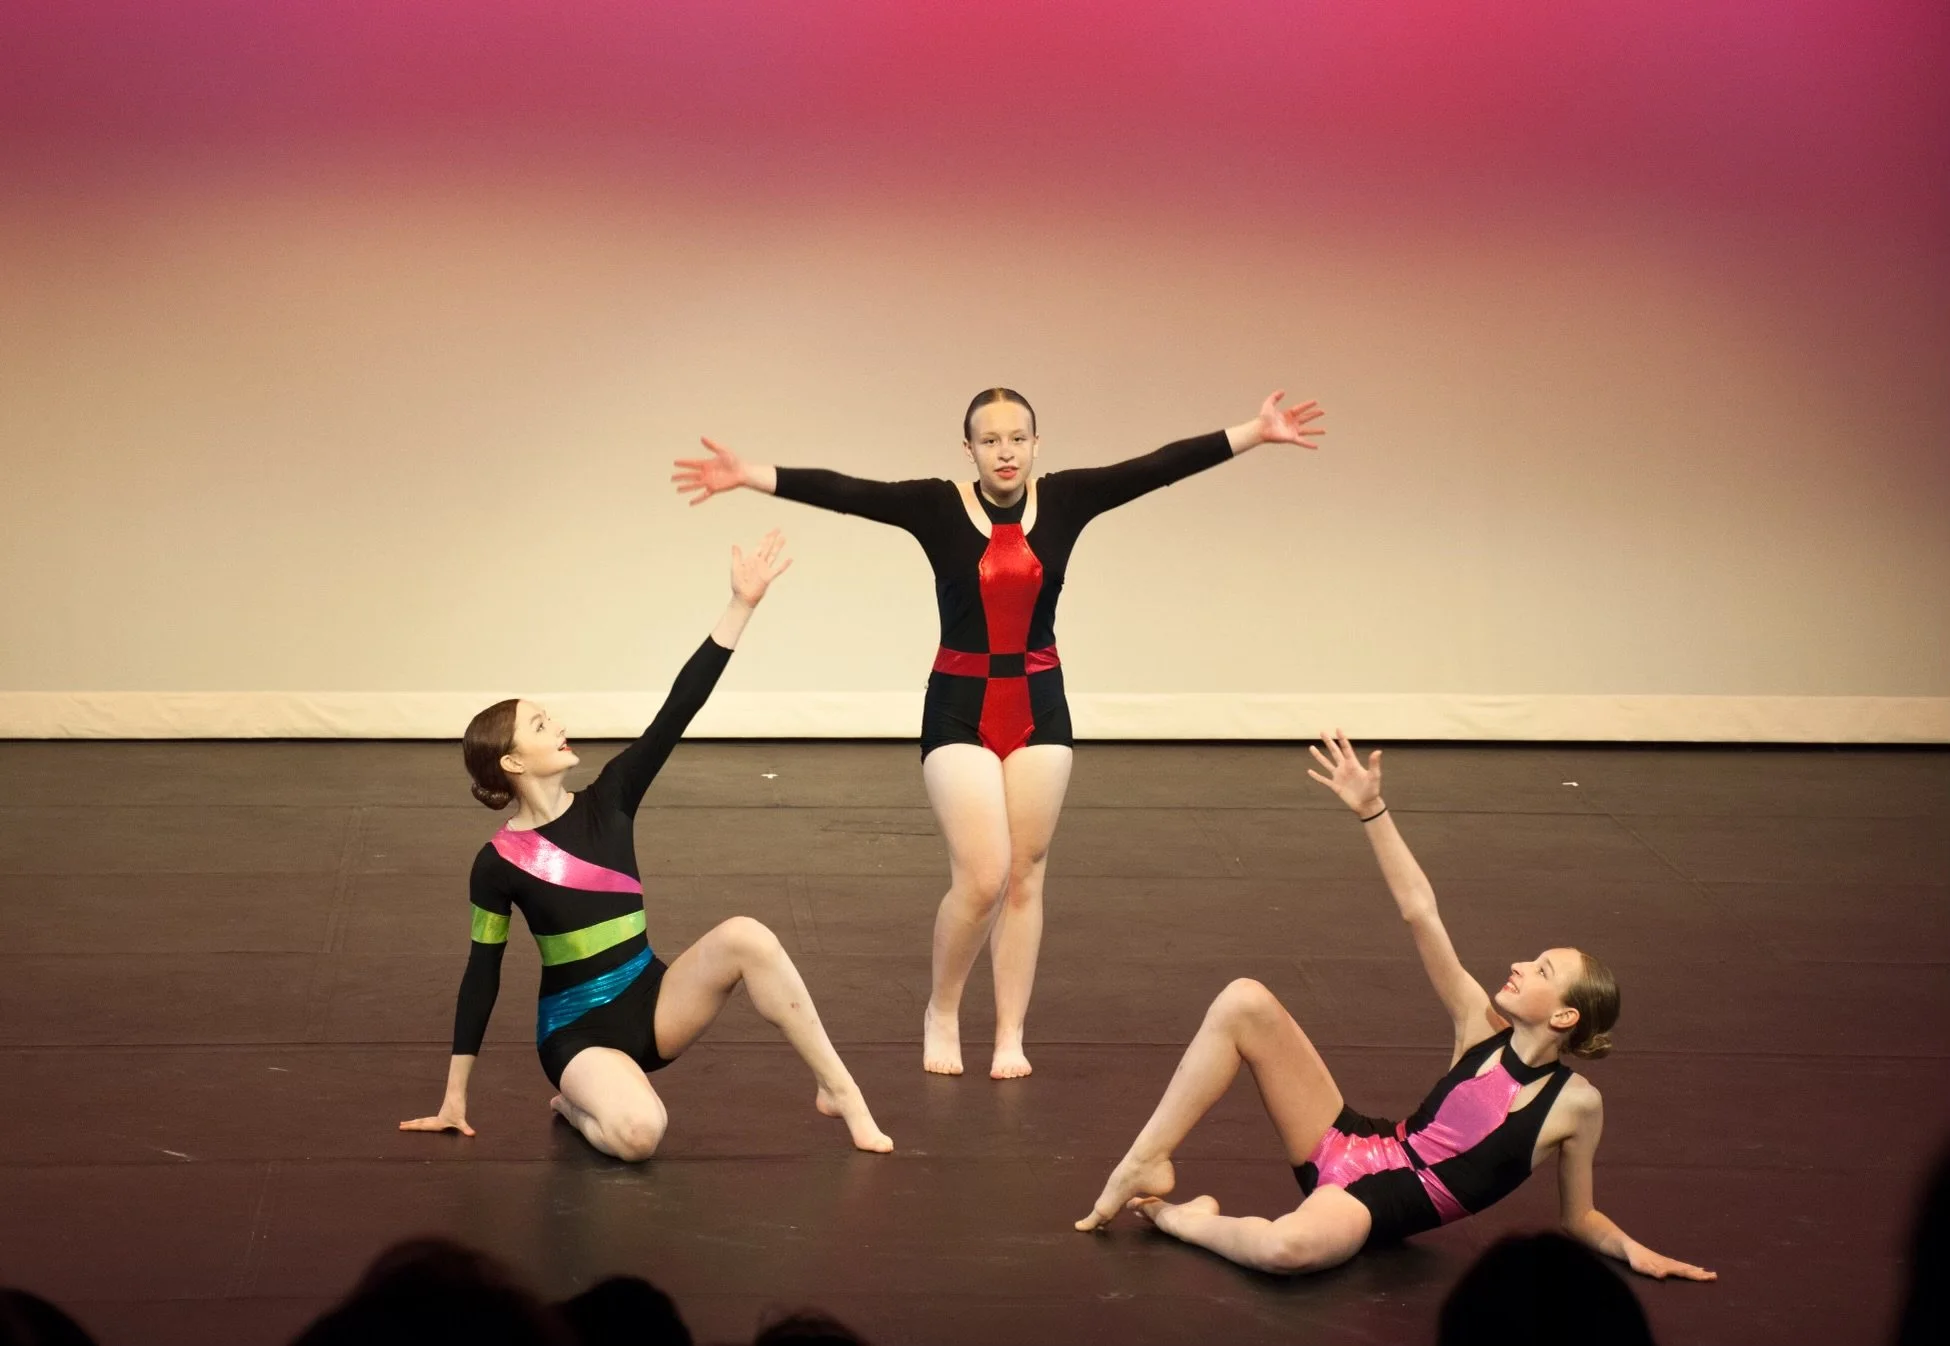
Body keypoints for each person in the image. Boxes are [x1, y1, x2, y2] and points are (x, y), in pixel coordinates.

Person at [673, 389, 1324, 1078]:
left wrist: (1254, 432)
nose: (1005, 451)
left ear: (1037, 445)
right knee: (982, 877)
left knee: (1025, 876)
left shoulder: (1068, 499)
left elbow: (1155, 467)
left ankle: (1011, 1032)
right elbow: (847, 492)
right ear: (969, 450)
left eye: (1018, 438)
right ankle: (943, 1010)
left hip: (1040, 704)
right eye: (990, 441)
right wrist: (752, 475)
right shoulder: (935, 506)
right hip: (957, 704)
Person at [1075, 731, 1714, 1284]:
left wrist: (1632, 1250)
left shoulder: (1576, 1106)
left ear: (1566, 1016)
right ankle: (1146, 1159)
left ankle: (1182, 1220)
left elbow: (1579, 1217)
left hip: (1377, 1205)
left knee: (1286, 1249)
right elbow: (1420, 911)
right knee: (1245, 1000)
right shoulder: (1476, 1022)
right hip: (1345, 1139)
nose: (1519, 966)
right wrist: (1372, 808)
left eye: (1542, 970)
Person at [401, 533, 892, 1159]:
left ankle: (840, 1091)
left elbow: (677, 709)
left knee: (748, 935)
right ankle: (580, 1106)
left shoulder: (612, 797)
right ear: (512, 760)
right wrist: (455, 1099)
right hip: (578, 1035)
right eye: (540, 724)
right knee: (639, 1136)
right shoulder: (496, 864)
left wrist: (740, 605)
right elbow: (482, 977)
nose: (559, 727)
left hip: (655, 1001)